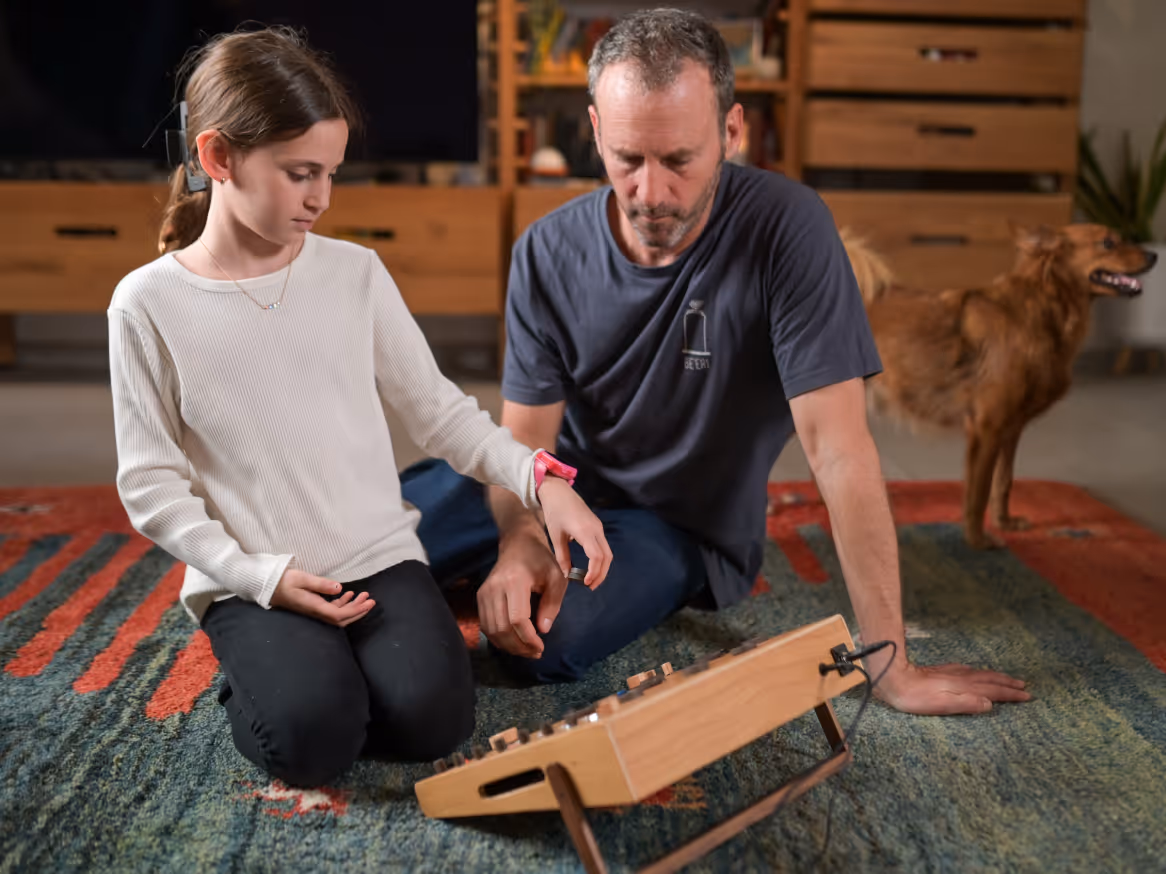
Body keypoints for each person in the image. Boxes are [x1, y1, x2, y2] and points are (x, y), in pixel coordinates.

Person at [401, 8, 1031, 715]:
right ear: (596, 130)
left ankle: (462, 585)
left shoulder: (790, 230)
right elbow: (525, 442)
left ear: (733, 133)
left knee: (542, 644)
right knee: (344, 545)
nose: (651, 193)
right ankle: (463, 573)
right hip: (551, 487)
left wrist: (891, 665)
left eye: (679, 160)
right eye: (628, 159)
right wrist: (522, 538)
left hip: (676, 524)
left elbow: (840, 450)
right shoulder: (546, 250)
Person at [107, 26, 612, 788]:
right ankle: (264, 676)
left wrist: (545, 480)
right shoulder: (145, 305)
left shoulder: (356, 274)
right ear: (217, 158)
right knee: (312, 743)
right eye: (301, 172)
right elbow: (150, 485)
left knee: (434, 722)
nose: (321, 197)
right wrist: (259, 578)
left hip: (377, 558)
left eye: (331, 173)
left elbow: (442, 414)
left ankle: (318, 678)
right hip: (259, 577)